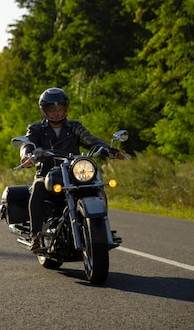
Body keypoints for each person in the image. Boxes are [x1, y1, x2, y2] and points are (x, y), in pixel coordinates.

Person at [19, 87, 125, 252]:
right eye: (51, 109)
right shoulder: (36, 129)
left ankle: (100, 228)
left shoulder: (75, 127)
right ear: (44, 110)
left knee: (97, 187)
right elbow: (27, 144)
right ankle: (36, 236)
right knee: (38, 188)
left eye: (59, 109)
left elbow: (92, 141)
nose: (56, 113)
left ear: (66, 108)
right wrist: (27, 157)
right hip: (47, 174)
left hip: (73, 174)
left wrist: (111, 151)